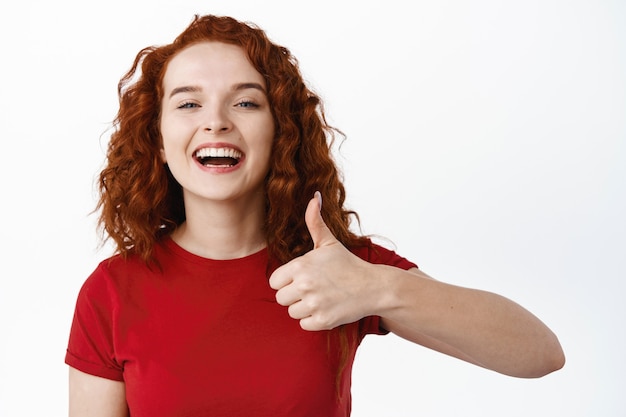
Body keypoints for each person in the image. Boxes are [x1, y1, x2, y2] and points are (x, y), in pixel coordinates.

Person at [65, 14, 565, 417]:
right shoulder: (112, 293)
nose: (215, 120)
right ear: (157, 136)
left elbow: (540, 354)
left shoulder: (340, 272)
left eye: (245, 102)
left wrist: (379, 287)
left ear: (281, 130)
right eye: (189, 103)